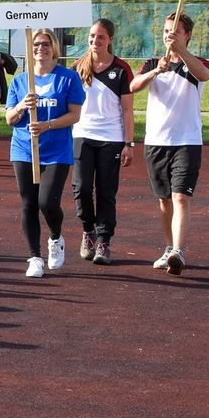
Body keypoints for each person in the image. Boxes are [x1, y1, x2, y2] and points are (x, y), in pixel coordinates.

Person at [129, 12, 209, 276]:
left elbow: (204, 74)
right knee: (164, 200)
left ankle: (178, 251)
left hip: (186, 141)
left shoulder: (196, 63)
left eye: (175, 31)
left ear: (187, 35)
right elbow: (133, 86)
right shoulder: (153, 63)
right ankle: (168, 248)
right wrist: (156, 70)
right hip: (156, 141)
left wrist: (181, 52)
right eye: (166, 31)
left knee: (180, 197)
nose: (169, 35)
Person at [5, 28, 85, 278]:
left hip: (56, 149)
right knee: (29, 203)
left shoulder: (68, 78)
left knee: (47, 202)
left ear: (54, 49)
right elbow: (9, 118)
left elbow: (75, 115)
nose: (41, 49)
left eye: (46, 44)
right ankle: (34, 257)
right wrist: (21, 106)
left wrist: (47, 125)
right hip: (23, 148)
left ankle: (56, 237)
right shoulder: (20, 80)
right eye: (36, 44)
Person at [70, 18, 135, 266]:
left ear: (110, 40)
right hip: (82, 135)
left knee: (106, 191)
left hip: (112, 139)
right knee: (82, 188)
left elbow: (128, 110)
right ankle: (88, 231)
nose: (95, 41)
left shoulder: (121, 69)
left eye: (100, 37)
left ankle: (104, 241)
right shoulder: (77, 67)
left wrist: (129, 144)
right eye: (92, 36)